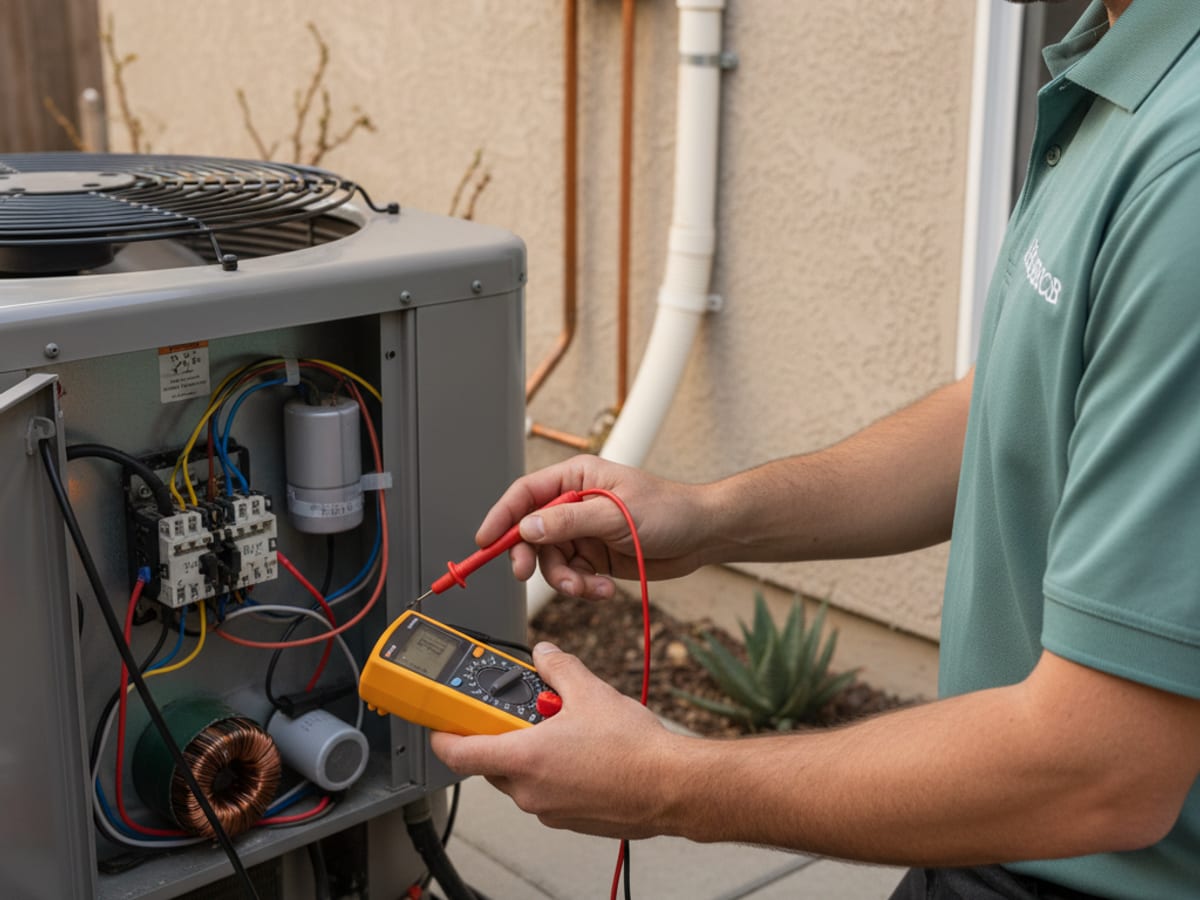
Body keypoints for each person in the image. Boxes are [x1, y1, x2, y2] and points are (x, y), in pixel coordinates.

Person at [432, 1, 1200, 897]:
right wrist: (710, 517)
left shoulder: (1185, 172)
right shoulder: (1117, 59)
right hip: (998, 837)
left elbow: (1100, 769)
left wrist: (667, 783)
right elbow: (1015, 405)